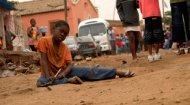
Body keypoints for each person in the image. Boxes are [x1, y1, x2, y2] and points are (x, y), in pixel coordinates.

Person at [36, 20, 134, 87]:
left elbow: (70, 64)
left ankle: (116, 72)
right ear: (53, 29)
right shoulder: (44, 41)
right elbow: (43, 61)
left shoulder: (64, 47)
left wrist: (62, 74)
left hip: (65, 72)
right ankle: (69, 81)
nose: (62, 35)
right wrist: (49, 76)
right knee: (42, 81)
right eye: (61, 31)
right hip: (48, 75)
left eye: (65, 34)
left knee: (90, 71)